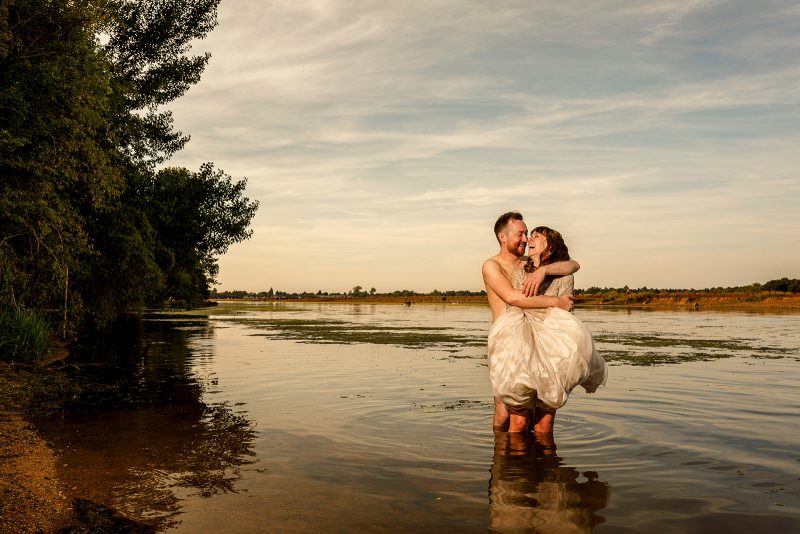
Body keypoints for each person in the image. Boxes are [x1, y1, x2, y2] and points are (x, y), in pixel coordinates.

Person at [482, 212, 607, 433]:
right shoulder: (492, 266)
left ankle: (535, 461)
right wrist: (557, 301)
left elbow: (573, 265)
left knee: (530, 415)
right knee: (503, 413)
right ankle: (502, 460)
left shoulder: (527, 263)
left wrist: (544, 270)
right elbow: (513, 298)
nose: (525, 238)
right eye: (520, 234)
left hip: (536, 342)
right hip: (507, 344)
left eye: (526, 234)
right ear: (503, 237)